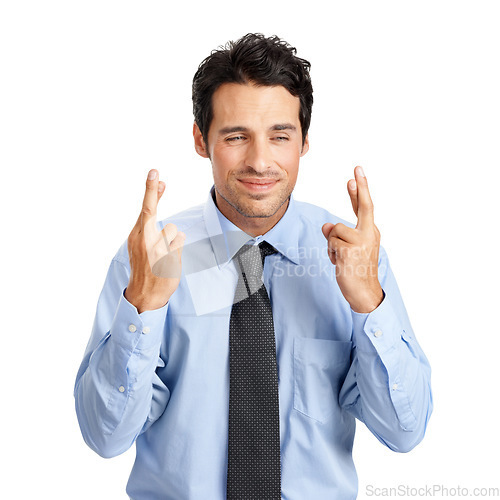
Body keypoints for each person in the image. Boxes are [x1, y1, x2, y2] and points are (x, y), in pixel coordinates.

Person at [74, 33, 433, 500]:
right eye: (236, 136)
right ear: (202, 141)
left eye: (280, 136)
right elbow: (105, 437)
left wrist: (369, 302)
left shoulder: (354, 257)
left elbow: (403, 433)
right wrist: (141, 304)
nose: (260, 161)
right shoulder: (151, 255)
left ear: (304, 141)